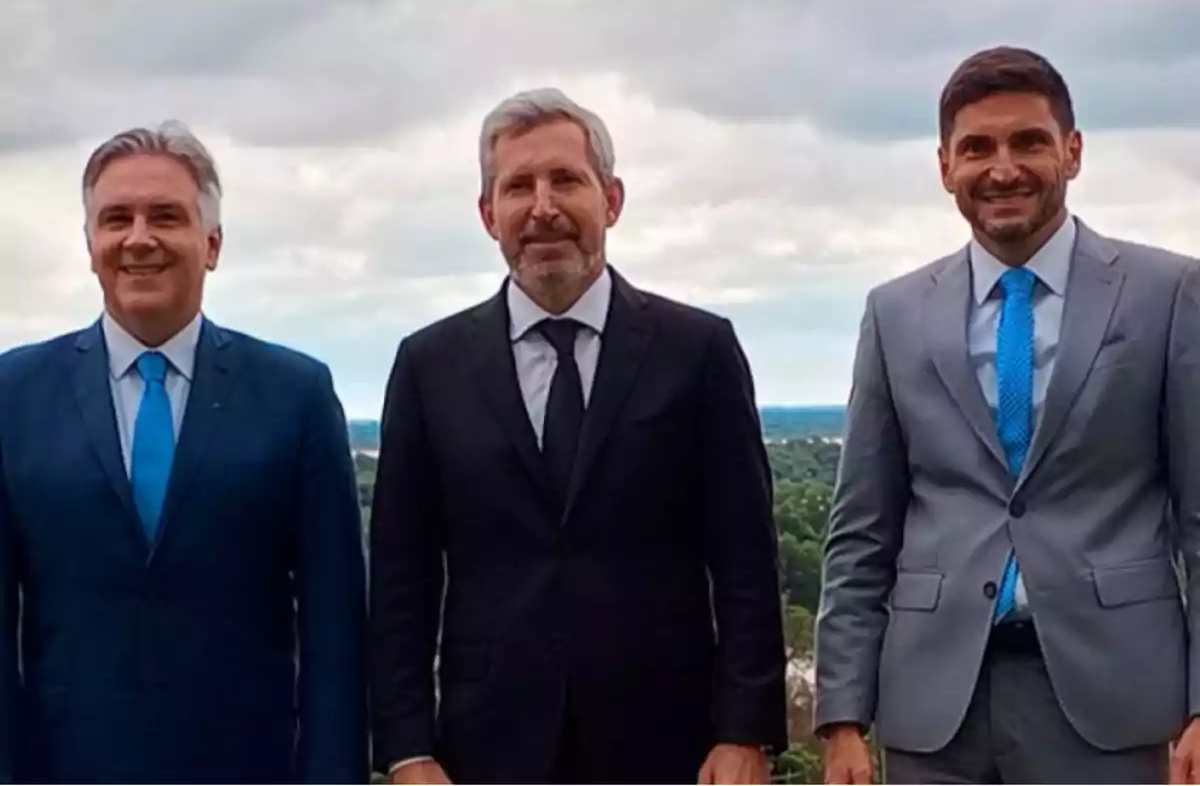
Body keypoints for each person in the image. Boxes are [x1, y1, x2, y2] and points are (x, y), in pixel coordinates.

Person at [367, 88, 788, 784]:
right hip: (486, 751)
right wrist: (408, 751)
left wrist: (746, 732)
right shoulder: (428, 365)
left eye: (566, 180)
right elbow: (401, 578)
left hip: (670, 747)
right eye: (517, 187)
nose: (543, 208)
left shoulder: (698, 349)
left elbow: (746, 557)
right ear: (486, 213)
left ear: (612, 199)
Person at [814, 45, 1200, 784]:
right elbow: (861, 531)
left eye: (1029, 141)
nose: (1003, 168)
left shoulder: (1168, 294)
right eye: (977, 148)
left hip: (1115, 703)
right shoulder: (893, 314)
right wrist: (841, 719)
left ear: (1073, 151)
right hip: (935, 711)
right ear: (944, 167)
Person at [0, 122, 368, 783]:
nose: (139, 238)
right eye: (117, 219)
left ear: (213, 243)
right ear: (91, 246)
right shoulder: (13, 396)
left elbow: (335, 630)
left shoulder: (296, 395)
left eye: (165, 216)